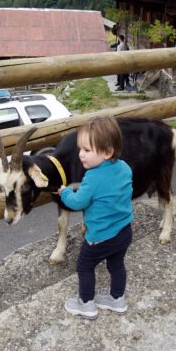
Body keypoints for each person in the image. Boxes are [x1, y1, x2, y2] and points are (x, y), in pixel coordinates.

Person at [59, 116, 134, 319]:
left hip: (100, 237)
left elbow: (77, 203)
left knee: (84, 266)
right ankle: (117, 299)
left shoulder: (92, 178)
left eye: (87, 150)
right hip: (124, 231)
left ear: (108, 151)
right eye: (80, 149)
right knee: (116, 264)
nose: (81, 155)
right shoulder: (125, 167)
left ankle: (86, 304)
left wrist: (65, 192)